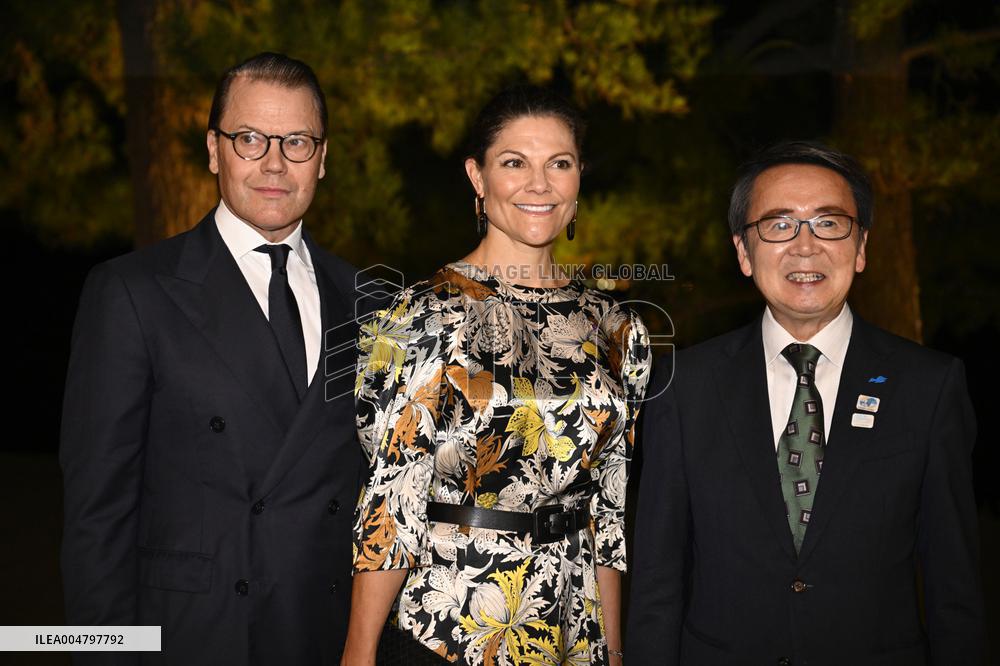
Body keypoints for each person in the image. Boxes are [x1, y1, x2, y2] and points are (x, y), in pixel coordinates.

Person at [627, 141, 984, 665]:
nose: (805, 246)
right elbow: (658, 585)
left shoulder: (929, 387)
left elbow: (956, 592)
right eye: (778, 225)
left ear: (861, 247)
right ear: (744, 253)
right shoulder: (684, 385)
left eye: (828, 223)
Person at [60, 52, 362, 664]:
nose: (274, 163)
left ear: (323, 159)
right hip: (193, 637)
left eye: (297, 141)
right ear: (213, 150)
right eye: (250, 139)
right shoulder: (132, 291)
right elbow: (97, 515)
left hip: (324, 637)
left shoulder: (370, 300)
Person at [341, 86, 652, 665]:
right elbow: (392, 503)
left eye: (558, 164)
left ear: (579, 179)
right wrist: (358, 656)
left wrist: (613, 650)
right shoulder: (417, 317)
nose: (539, 184)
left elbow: (608, 512)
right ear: (477, 177)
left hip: (572, 634)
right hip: (450, 630)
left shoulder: (617, 327)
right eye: (514, 163)